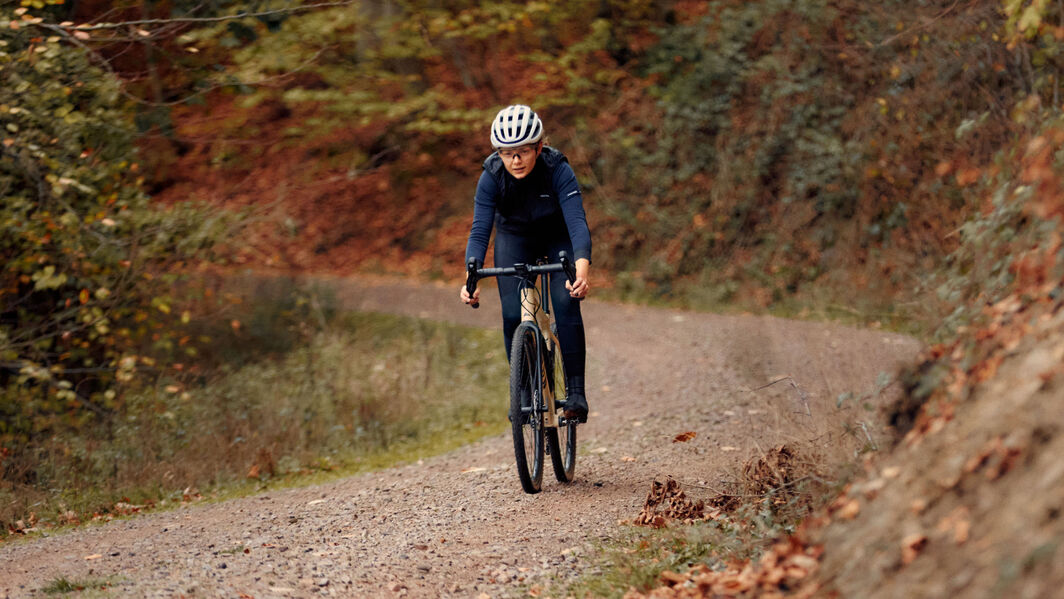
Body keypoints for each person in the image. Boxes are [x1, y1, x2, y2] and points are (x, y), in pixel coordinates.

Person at [459, 104, 592, 422]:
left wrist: (582, 270)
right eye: (507, 153)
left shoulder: (558, 169)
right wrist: (470, 279)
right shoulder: (491, 176)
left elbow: (577, 224)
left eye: (522, 152)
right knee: (510, 312)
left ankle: (575, 392)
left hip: (556, 236)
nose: (515, 161)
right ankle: (521, 391)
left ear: (539, 148)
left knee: (565, 301)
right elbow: (480, 232)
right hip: (514, 239)